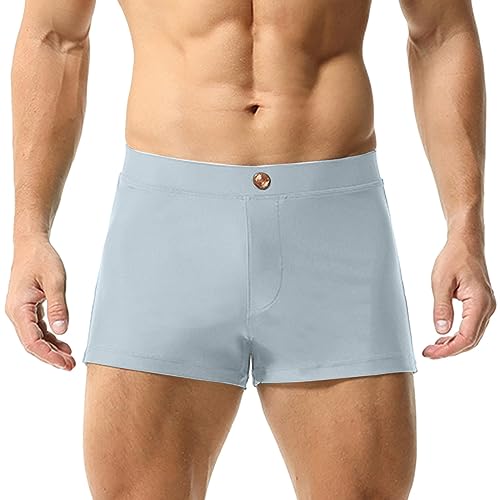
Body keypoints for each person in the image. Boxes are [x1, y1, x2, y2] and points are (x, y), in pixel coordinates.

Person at [5, 1, 496, 498]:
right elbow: (56, 38)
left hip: (333, 230)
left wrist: (465, 228)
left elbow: (441, 32)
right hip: (167, 232)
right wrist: (30, 234)